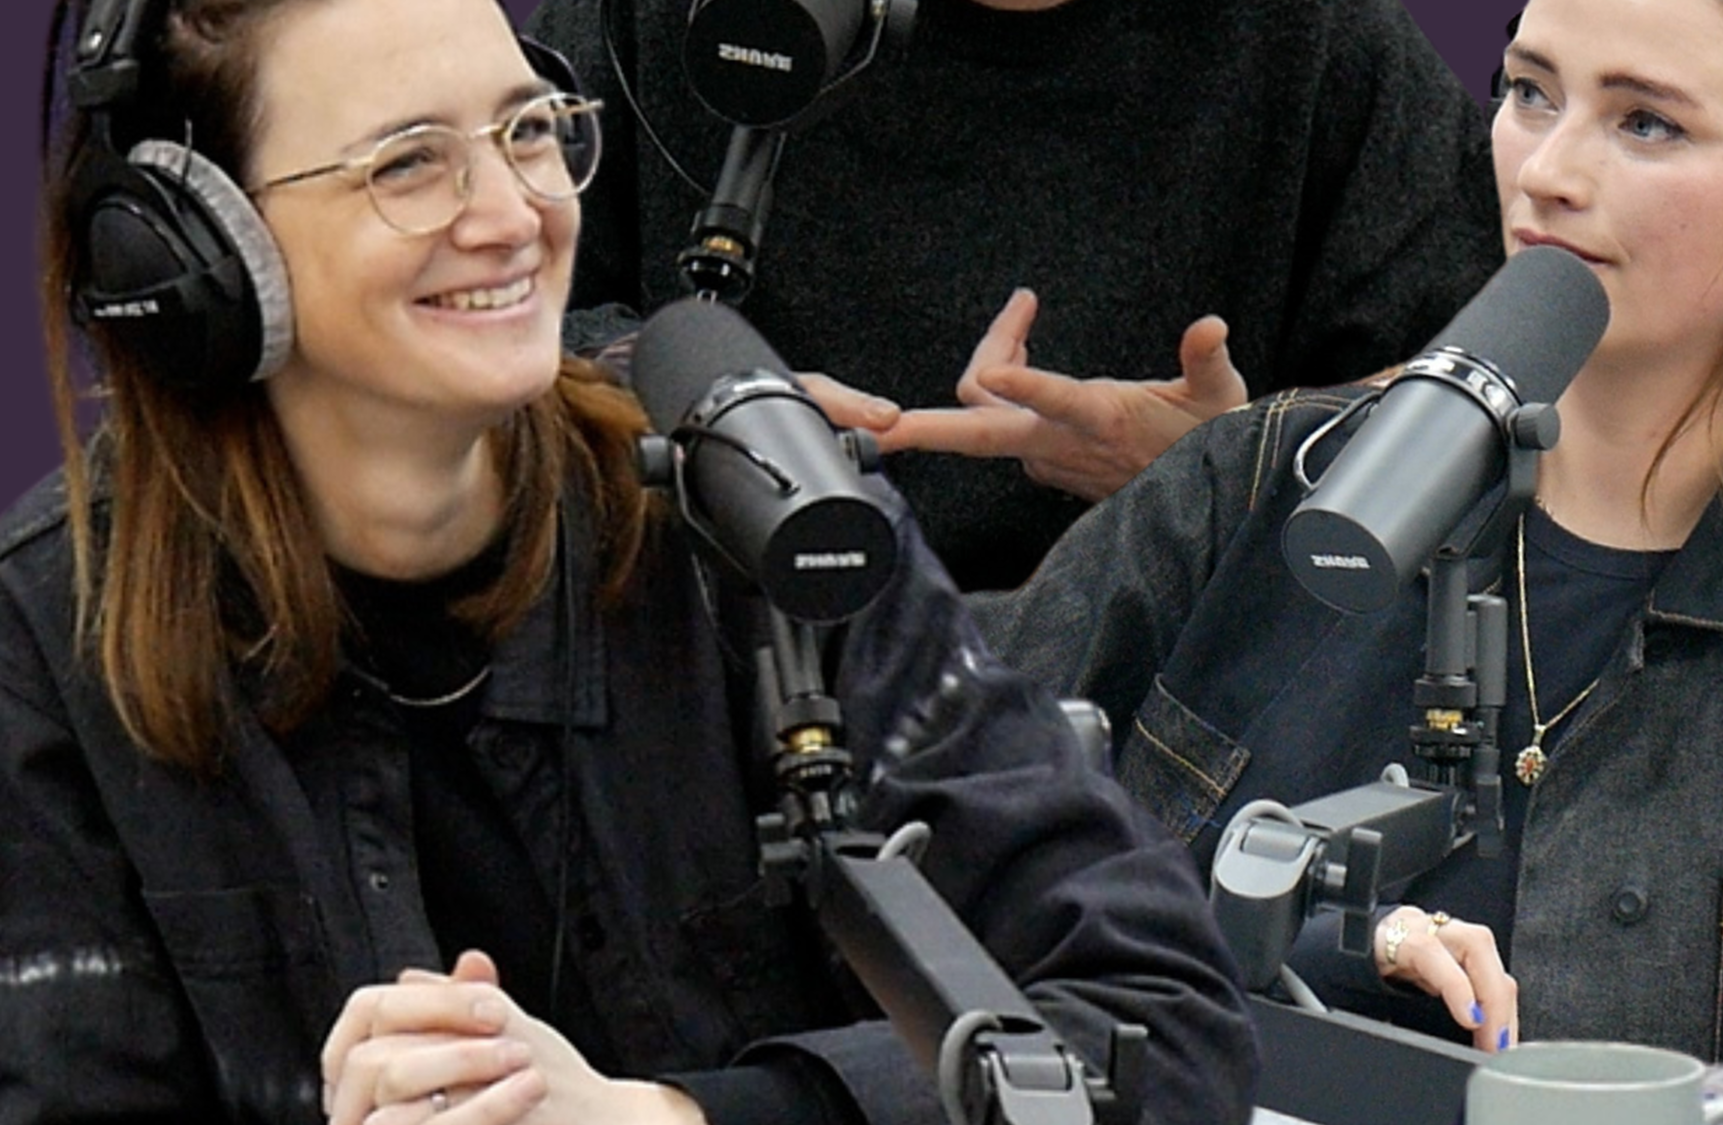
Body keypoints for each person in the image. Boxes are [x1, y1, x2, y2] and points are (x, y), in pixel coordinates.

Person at [0, 1, 1259, 1123]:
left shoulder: (758, 514)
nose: (509, 216)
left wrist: (663, 1116)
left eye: (530, 130)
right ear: (189, 252)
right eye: (408, 164)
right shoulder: (44, 644)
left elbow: (1161, 1021)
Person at [968, 0, 1723, 1119]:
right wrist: (1271, 918)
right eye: (1527, 92)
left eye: (1645, 123)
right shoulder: (1257, 484)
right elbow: (934, 828)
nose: (1543, 170)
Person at [523, 0, 1504, 590]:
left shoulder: (1317, 41)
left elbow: (1497, 385)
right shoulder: (664, 20)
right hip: (700, 644)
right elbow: (477, 319)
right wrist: (688, 412)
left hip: (1144, 710)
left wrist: (1232, 467)